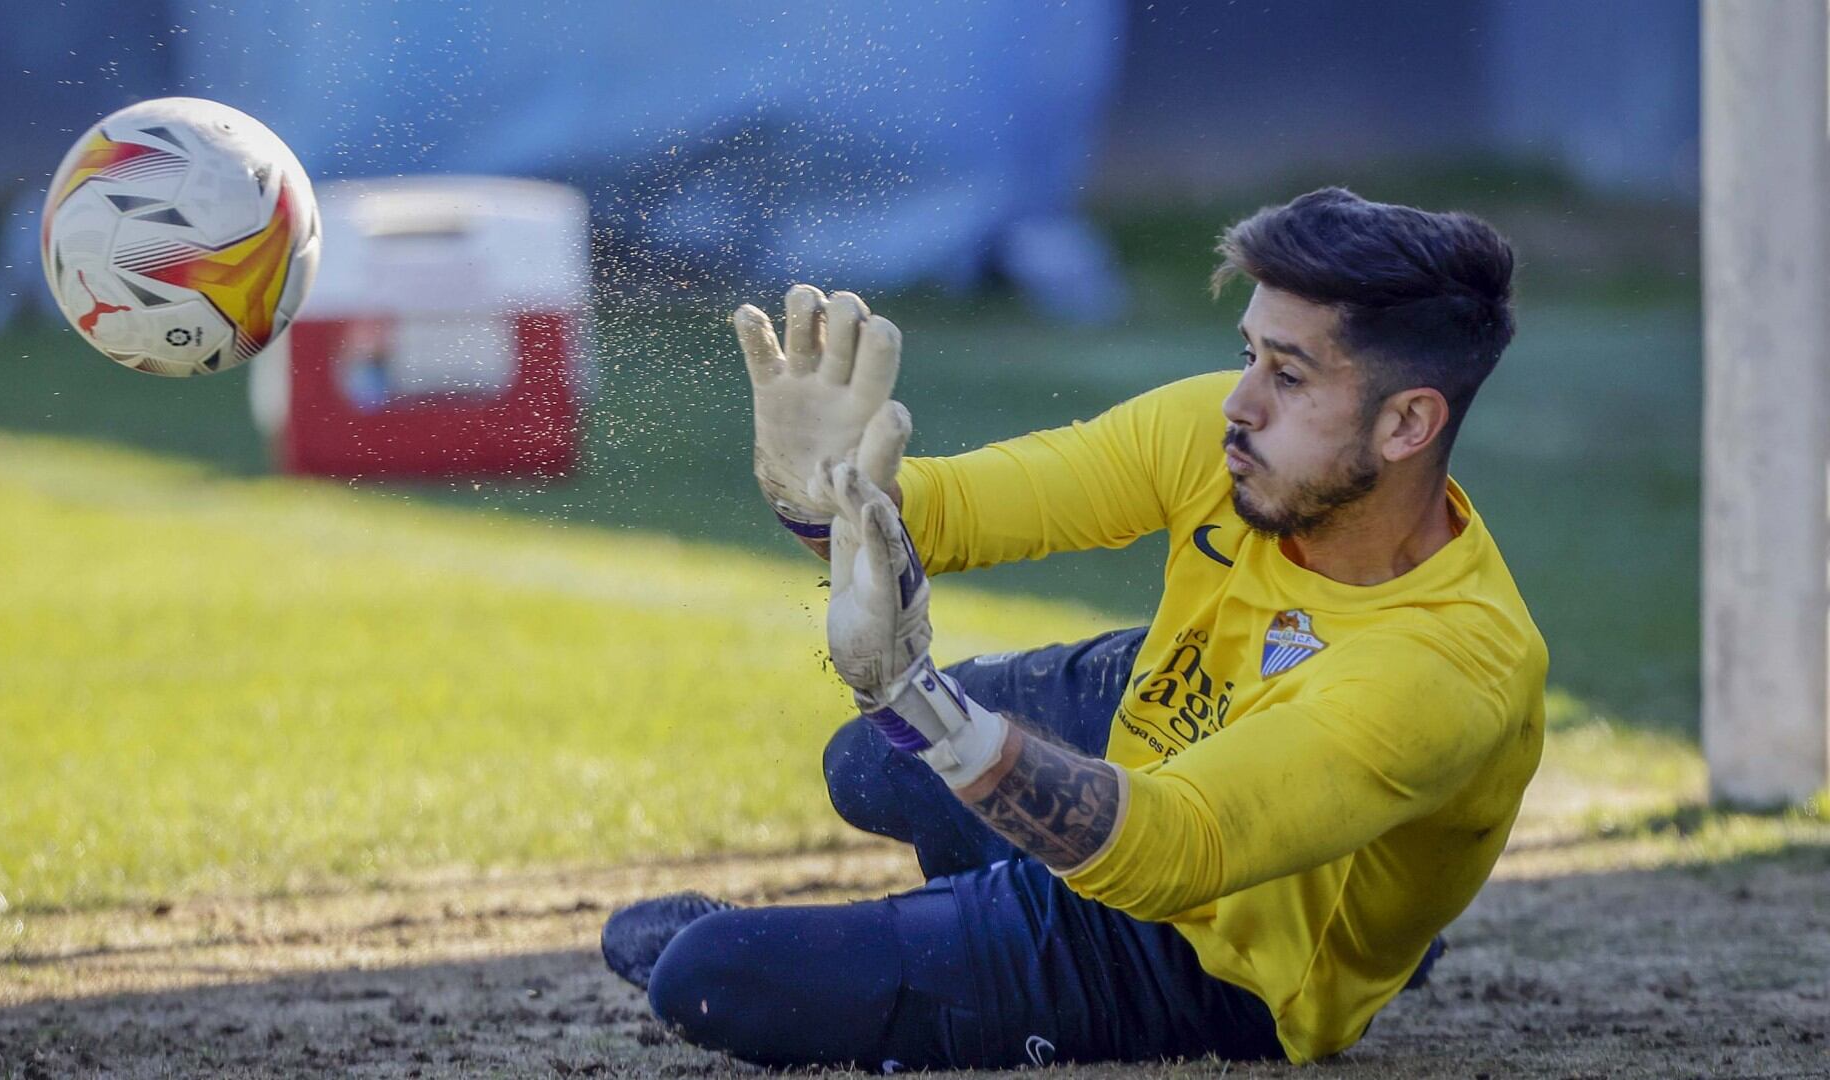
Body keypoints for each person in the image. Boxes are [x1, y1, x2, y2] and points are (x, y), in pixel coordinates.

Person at [601, 187, 1546, 1070]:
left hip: (1212, 952)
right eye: (1248, 352)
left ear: (1408, 423)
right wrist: (824, 489)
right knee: (868, 762)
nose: (1239, 402)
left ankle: (1332, 923)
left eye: (1289, 375)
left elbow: (1175, 850)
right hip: (1179, 756)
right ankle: (978, 913)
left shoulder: (1447, 666)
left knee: (713, 978)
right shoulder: (1228, 442)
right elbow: (951, 510)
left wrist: (917, 702)